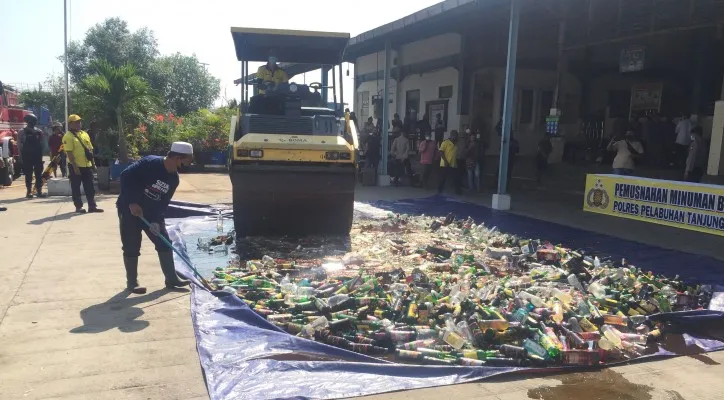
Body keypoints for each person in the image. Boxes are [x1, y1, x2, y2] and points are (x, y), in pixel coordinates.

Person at [116, 142, 195, 294]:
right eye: (186, 161)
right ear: (178, 157)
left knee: (164, 242)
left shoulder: (173, 179)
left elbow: (163, 202)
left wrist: (156, 220)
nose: (186, 165)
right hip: (129, 210)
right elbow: (126, 176)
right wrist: (132, 202)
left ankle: (171, 279)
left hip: (151, 214)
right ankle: (132, 283)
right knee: (132, 245)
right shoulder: (150, 163)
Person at [63, 114, 103, 213]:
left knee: (90, 187)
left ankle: (92, 206)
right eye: (76, 122)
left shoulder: (84, 134)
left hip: (87, 165)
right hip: (75, 166)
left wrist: (93, 165)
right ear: (70, 124)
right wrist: (75, 167)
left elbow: (90, 150)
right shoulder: (68, 136)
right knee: (76, 187)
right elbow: (69, 153)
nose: (78, 124)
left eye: (79, 122)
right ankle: (78, 207)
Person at [18, 114, 46, 198]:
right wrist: (20, 156)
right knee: (28, 174)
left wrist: (42, 155)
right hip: (27, 155)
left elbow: (42, 144)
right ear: (27, 122)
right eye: (31, 121)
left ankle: (39, 191)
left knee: (38, 174)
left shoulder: (39, 131)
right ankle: (29, 191)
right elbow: (19, 145)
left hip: (37, 155)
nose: (32, 123)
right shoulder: (22, 132)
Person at [438, 130, 461, 194]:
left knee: (456, 178)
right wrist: (445, 161)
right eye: (454, 136)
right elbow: (441, 152)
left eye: (456, 136)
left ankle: (458, 191)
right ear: (451, 136)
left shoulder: (456, 144)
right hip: (445, 164)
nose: (455, 137)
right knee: (443, 178)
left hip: (453, 164)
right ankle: (439, 190)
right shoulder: (445, 142)